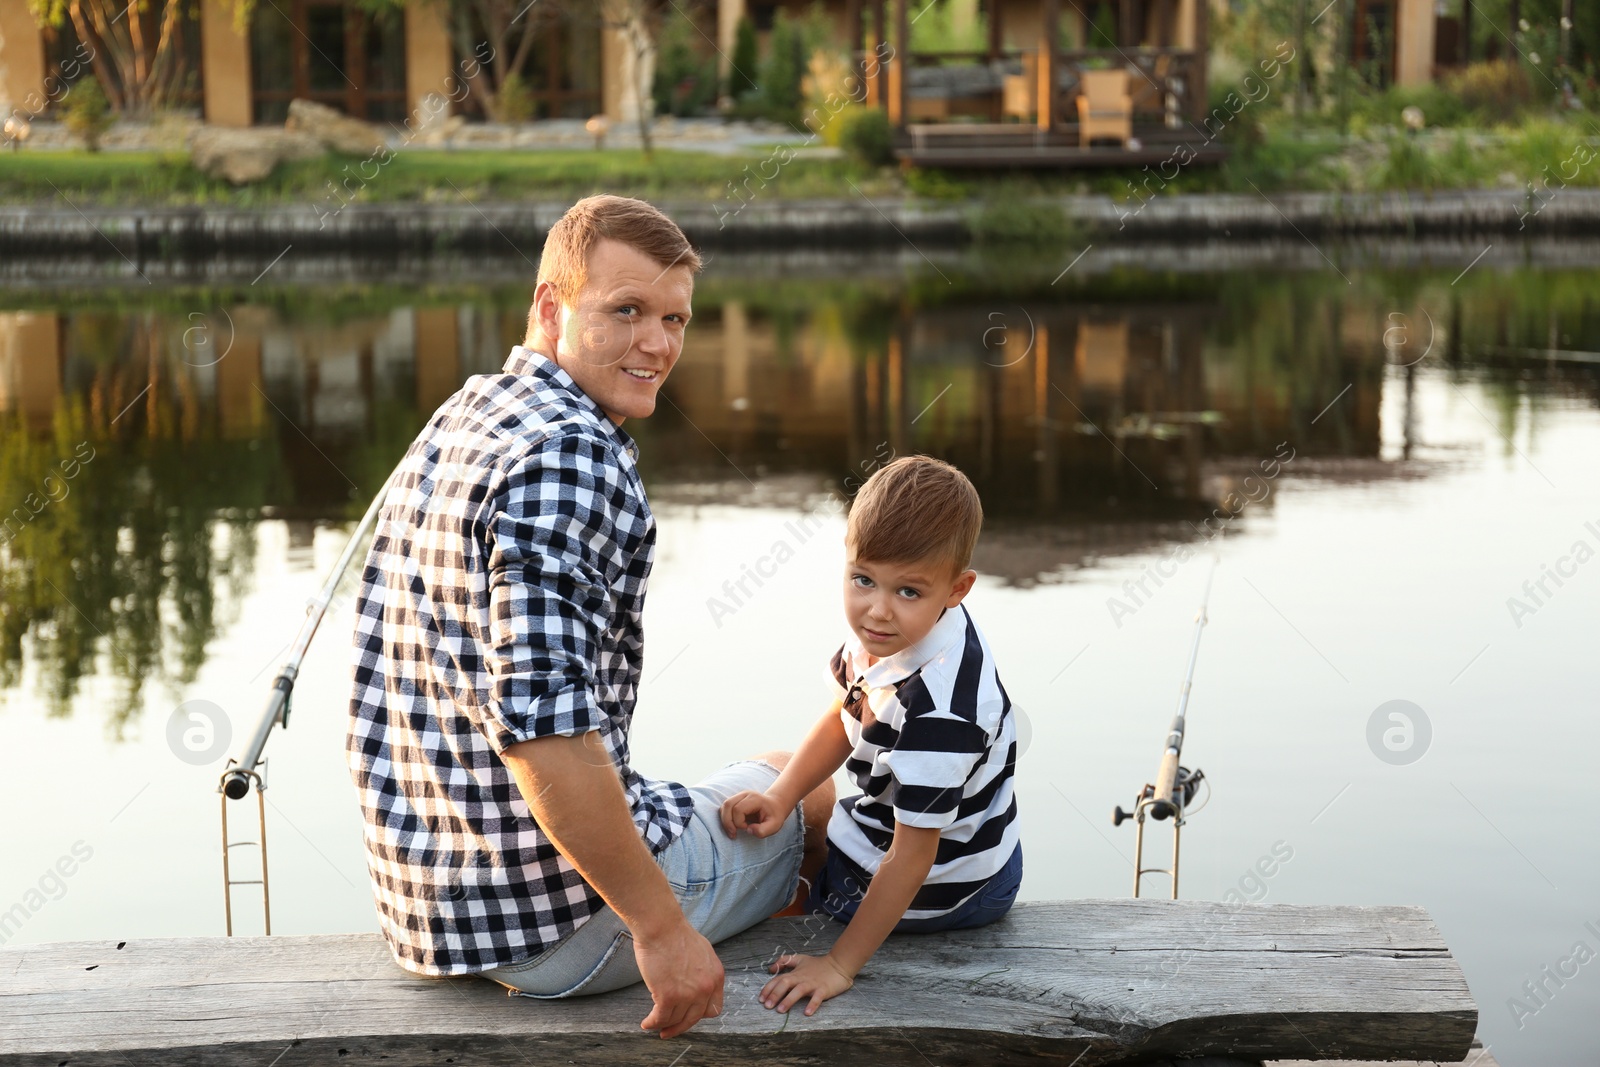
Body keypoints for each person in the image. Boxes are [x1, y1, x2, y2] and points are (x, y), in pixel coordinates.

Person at [346, 194, 832, 1040]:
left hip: (422, 918)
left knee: (763, 771)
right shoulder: (569, 453)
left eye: (674, 318)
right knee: (813, 784)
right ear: (550, 307)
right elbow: (541, 729)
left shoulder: (463, 413)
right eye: (626, 311)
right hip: (553, 933)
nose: (658, 344)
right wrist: (661, 928)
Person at [720, 455, 1022, 1018]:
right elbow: (846, 709)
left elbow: (912, 858)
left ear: (958, 588)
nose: (876, 611)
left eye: (908, 591)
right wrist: (782, 796)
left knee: (771, 868)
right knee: (782, 783)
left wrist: (838, 965)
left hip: (946, 888)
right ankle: (804, 880)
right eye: (863, 580)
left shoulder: (942, 715)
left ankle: (802, 908)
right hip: (957, 844)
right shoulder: (898, 631)